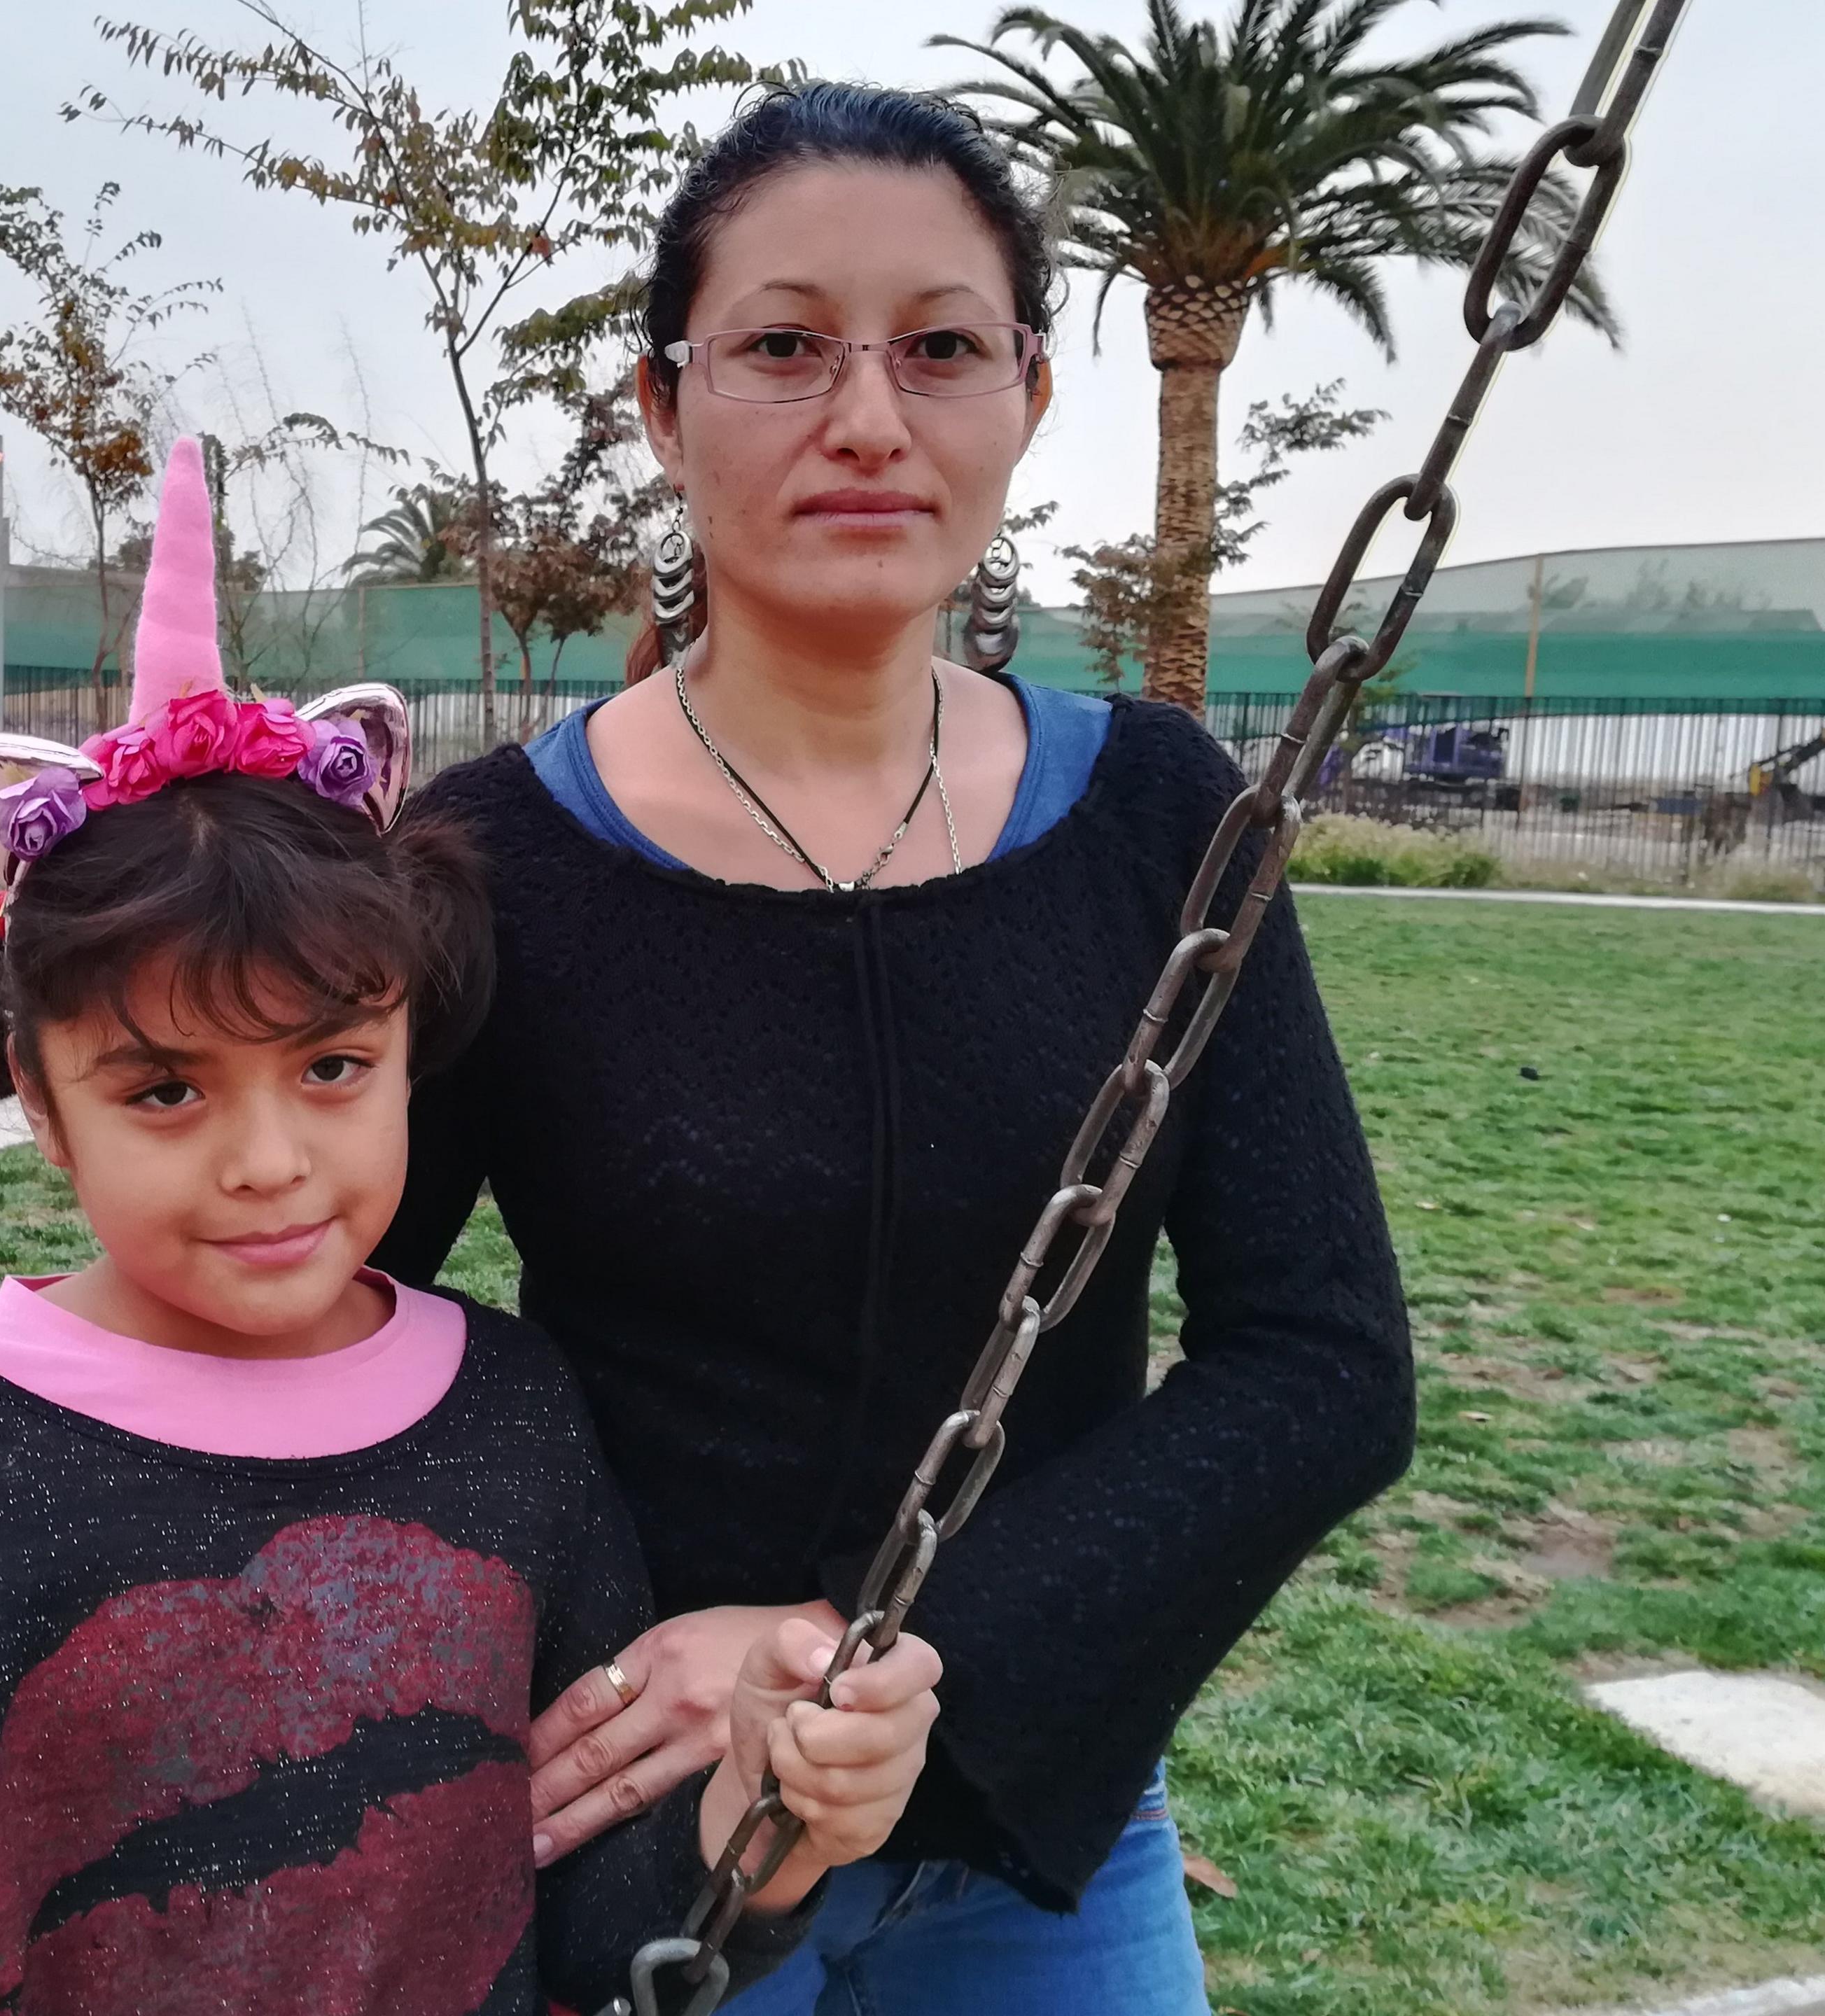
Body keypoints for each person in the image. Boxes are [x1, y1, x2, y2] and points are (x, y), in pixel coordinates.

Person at [0, 439, 944, 2016]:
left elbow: (576, 1899)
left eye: (335, 1067)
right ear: (37, 1096)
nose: (271, 1162)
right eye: (164, 1090)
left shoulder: (508, 1412)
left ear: (416, 1041)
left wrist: (759, 1820)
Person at [373, 83, 1416, 2016]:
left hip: (1037, 1822)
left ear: (1026, 392)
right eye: (784, 347)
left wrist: (865, 1645)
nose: (868, 417)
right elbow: (326, 1323)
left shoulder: (1166, 822)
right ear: (662, 408)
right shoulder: (490, 861)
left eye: (940, 348)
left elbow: (1325, 1365)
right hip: (646, 1819)